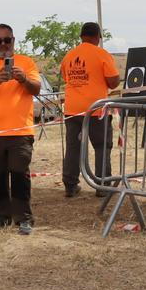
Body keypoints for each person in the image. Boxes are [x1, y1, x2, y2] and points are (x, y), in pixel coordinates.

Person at [0, 24, 42, 235]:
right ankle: (1, 217)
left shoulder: (27, 62)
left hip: (21, 132)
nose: (3, 44)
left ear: (14, 40)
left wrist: (23, 79)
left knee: (20, 175)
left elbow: (36, 89)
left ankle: (24, 218)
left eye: (7, 40)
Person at [59, 22, 120, 197]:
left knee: (73, 148)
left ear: (81, 37)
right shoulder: (102, 54)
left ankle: (70, 185)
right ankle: (102, 186)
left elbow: (66, 77)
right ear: (98, 37)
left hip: (72, 110)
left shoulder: (69, 56)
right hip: (95, 110)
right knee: (101, 146)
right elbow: (114, 81)